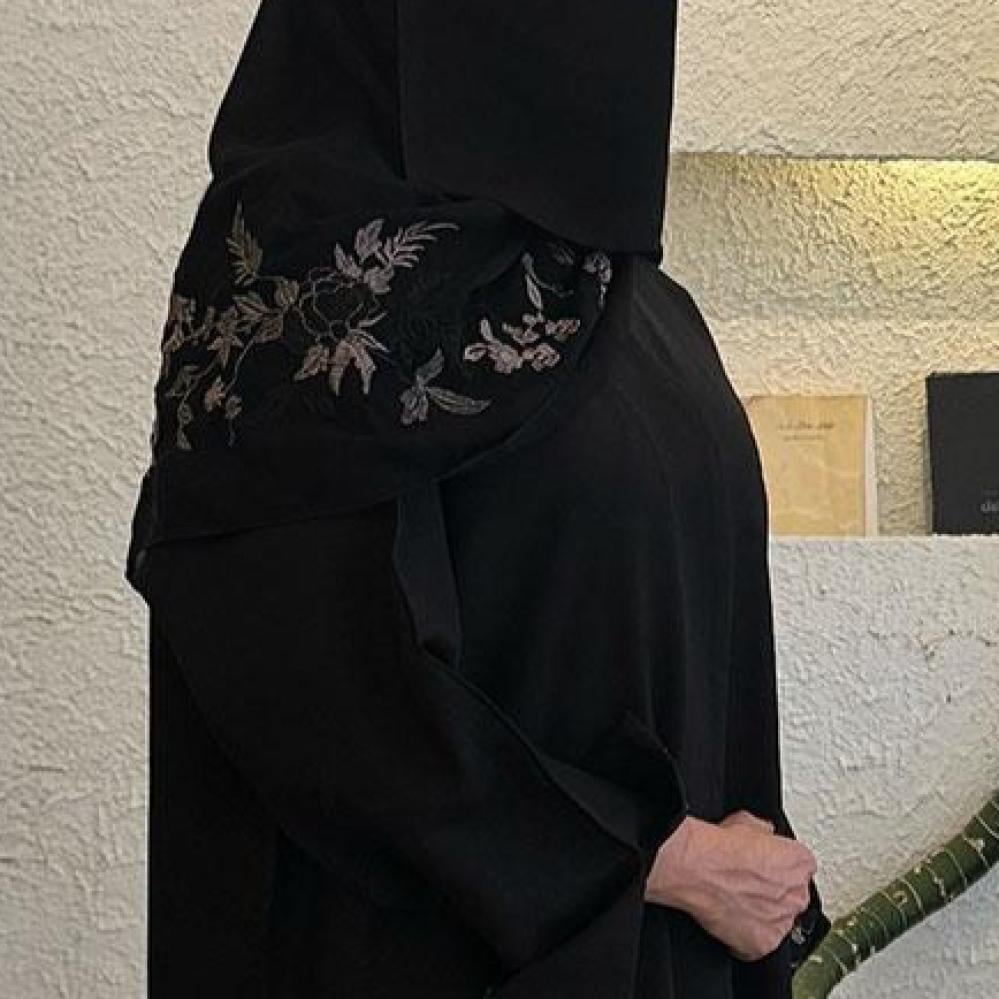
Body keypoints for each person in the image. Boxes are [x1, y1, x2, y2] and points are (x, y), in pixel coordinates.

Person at [123, 1, 830, 996]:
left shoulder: (639, 310)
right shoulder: (301, 289)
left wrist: (741, 878)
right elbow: (309, 677)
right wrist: (655, 858)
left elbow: (700, 657)